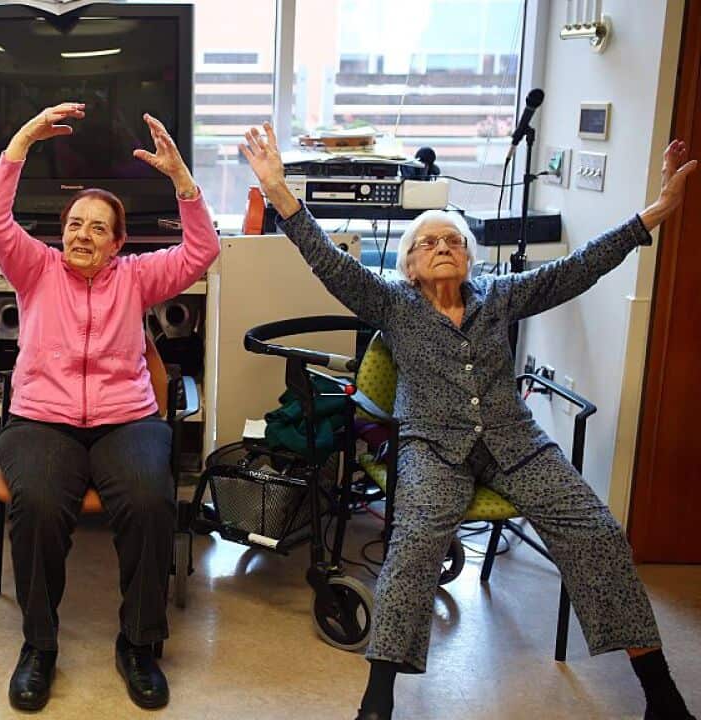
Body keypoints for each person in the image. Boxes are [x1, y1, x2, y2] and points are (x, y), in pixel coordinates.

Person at [241, 121, 697, 720]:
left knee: (600, 533)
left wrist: (656, 214)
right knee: (413, 547)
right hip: (431, 448)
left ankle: (660, 697)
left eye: (453, 239)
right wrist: (279, 192)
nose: (443, 246)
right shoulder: (391, 302)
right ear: (408, 262)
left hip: (518, 444)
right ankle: (377, 703)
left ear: (469, 256)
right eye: (429, 242)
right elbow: (328, 262)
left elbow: (579, 267)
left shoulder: (500, 296)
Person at [0, 102, 219, 712]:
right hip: (40, 418)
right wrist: (23, 140)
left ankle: (138, 643)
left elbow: (202, 251)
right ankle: (40, 646)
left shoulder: (136, 277)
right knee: (34, 502)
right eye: (74, 224)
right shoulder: (35, 270)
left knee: (148, 497)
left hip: (126, 418)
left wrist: (182, 182)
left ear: (118, 242)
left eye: (98, 227)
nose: (82, 235)